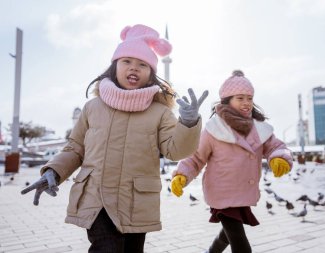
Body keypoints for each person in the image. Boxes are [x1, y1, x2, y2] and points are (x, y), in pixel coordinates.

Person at [21, 24, 208, 253]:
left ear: (151, 73)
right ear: (114, 66)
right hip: (97, 200)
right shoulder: (93, 107)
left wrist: (188, 124)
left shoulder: (159, 112)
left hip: (136, 203)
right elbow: (75, 147)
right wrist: (54, 170)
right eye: (126, 61)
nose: (134, 68)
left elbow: (175, 150)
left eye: (142, 65)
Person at [171, 70, 293, 253]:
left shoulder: (260, 129)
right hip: (221, 192)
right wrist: (182, 175)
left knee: (227, 234)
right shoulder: (214, 129)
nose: (246, 103)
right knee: (240, 243)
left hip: (243, 191)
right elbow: (196, 157)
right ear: (227, 100)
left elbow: (276, 146)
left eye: (249, 98)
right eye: (240, 98)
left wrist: (279, 157)